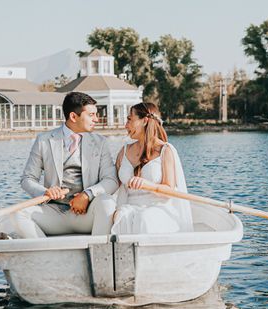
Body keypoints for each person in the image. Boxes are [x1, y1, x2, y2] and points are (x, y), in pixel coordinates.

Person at [13, 92, 119, 238]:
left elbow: (111, 180)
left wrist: (87, 195)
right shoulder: (44, 140)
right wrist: (46, 192)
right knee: (19, 214)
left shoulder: (100, 143)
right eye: (91, 115)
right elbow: (27, 179)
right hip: (55, 212)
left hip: (87, 213)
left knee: (107, 203)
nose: (96, 119)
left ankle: (99, 257)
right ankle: (48, 256)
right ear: (73, 117)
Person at [111, 102, 192, 235]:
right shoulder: (123, 151)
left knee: (144, 219)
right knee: (120, 216)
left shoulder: (165, 151)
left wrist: (148, 185)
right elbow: (113, 183)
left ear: (145, 121)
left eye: (129, 119)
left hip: (158, 208)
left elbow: (170, 191)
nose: (126, 125)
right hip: (129, 207)